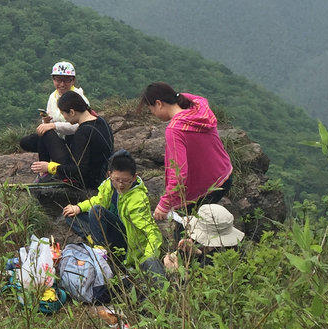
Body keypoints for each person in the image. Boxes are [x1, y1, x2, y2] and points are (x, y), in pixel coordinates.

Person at [138, 83, 234, 221]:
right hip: (224, 174)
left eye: (150, 109)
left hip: (207, 189)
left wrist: (164, 205)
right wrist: (177, 96)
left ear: (159, 103)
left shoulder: (175, 130)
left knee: (185, 230)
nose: (152, 113)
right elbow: (193, 97)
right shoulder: (199, 107)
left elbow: (179, 173)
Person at [63, 151, 163, 277]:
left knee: (97, 211)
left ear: (134, 177)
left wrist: (147, 258)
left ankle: (100, 252)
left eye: (125, 181)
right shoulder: (109, 184)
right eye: (117, 180)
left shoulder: (137, 199)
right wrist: (78, 207)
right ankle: (96, 241)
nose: (120, 185)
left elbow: (151, 231)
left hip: (124, 239)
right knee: (71, 216)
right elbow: (99, 200)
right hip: (108, 227)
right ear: (109, 174)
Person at [28, 91, 114, 190]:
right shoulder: (101, 121)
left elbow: (78, 171)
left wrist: (49, 167)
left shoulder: (83, 132)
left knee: (47, 133)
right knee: (67, 136)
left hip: (87, 181)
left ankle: (43, 174)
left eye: (63, 113)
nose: (64, 117)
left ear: (72, 112)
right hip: (101, 173)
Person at [19, 59, 92, 159]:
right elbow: (49, 122)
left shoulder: (78, 98)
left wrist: (53, 126)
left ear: (73, 80)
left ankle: (46, 165)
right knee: (26, 142)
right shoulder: (53, 97)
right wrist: (46, 121)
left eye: (66, 80)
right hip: (56, 136)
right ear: (53, 80)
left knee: (46, 134)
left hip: (71, 139)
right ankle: (51, 152)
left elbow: (80, 127)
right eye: (58, 80)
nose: (62, 84)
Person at [163, 204, 245, 275]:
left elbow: (198, 284)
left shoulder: (219, 263)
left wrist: (175, 272)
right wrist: (198, 253)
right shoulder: (233, 251)